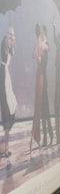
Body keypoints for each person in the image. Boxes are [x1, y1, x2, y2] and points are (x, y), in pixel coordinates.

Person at [30, 24, 54, 150]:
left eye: (43, 32)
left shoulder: (46, 45)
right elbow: (35, 58)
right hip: (39, 79)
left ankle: (48, 135)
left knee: (45, 110)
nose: (42, 34)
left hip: (43, 80)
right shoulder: (39, 45)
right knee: (43, 110)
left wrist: (40, 59)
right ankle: (46, 136)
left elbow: (45, 63)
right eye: (41, 33)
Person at [0, 26, 17, 158]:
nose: (11, 37)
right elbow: (5, 46)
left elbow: (12, 51)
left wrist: (13, 41)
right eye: (10, 35)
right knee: (6, 112)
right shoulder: (4, 44)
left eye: (12, 35)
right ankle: (5, 149)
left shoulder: (9, 48)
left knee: (11, 109)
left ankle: (5, 148)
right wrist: (9, 38)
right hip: (2, 81)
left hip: (6, 80)